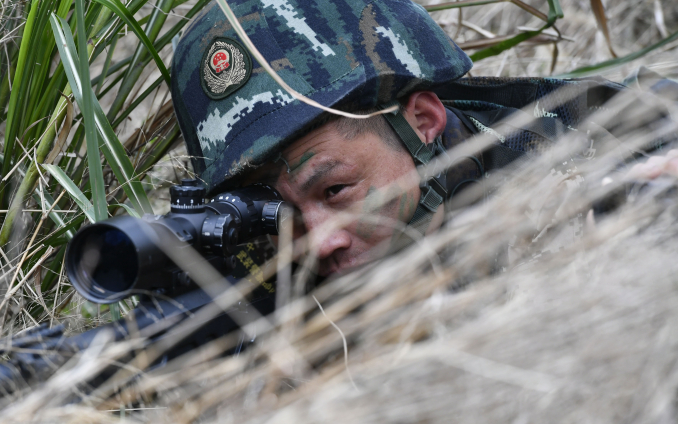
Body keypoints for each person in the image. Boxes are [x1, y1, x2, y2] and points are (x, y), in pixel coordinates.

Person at [169, 0, 677, 278]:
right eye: (278, 213)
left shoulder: (614, 146)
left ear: (422, 120)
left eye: (334, 191)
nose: (322, 241)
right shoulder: (252, 269)